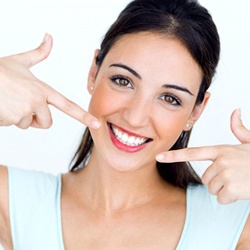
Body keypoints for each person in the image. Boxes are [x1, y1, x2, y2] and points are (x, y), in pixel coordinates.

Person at [0, 0, 249, 249]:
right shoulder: (13, 202)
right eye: (123, 81)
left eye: (170, 98)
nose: (135, 118)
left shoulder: (233, 224)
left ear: (196, 110)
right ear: (93, 73)